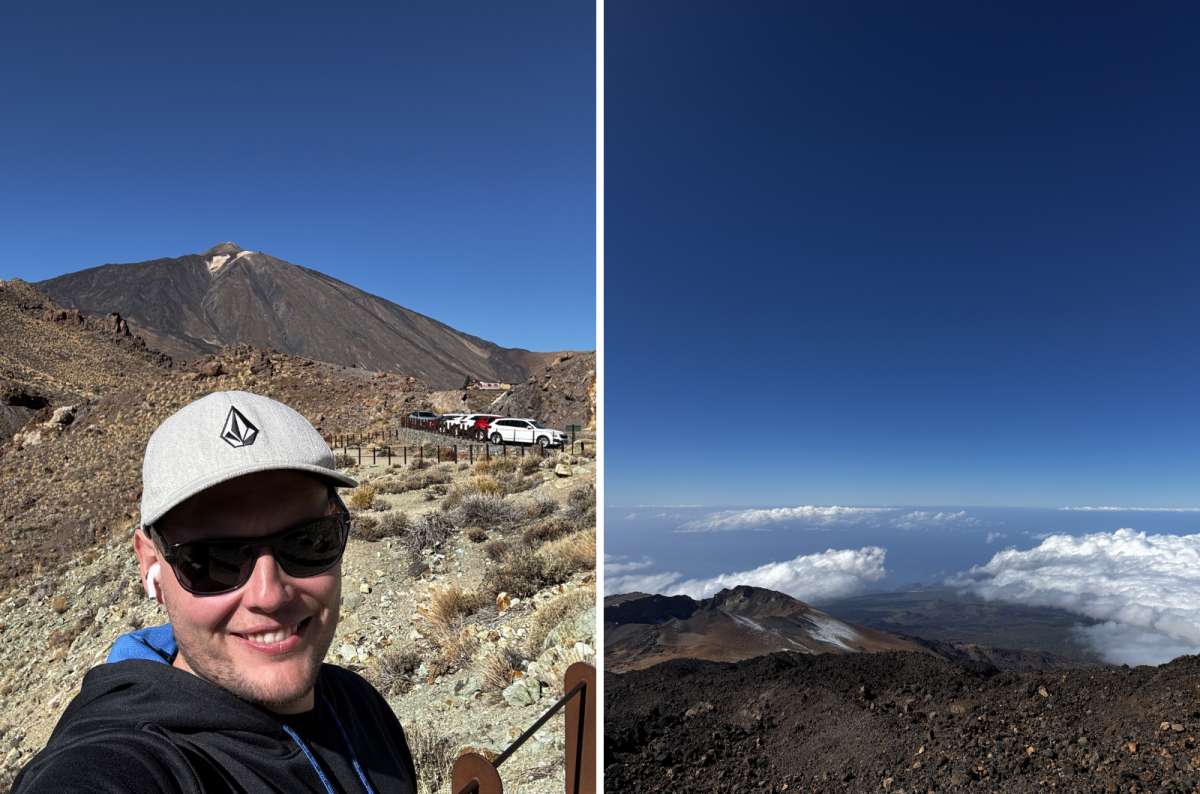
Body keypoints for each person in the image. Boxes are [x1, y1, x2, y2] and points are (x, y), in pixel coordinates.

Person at [14, 391, 418, 793]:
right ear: (150, 562)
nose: (270, 595)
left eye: (308, 542)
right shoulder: (133, 760)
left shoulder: (361, 707)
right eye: (211, 560)